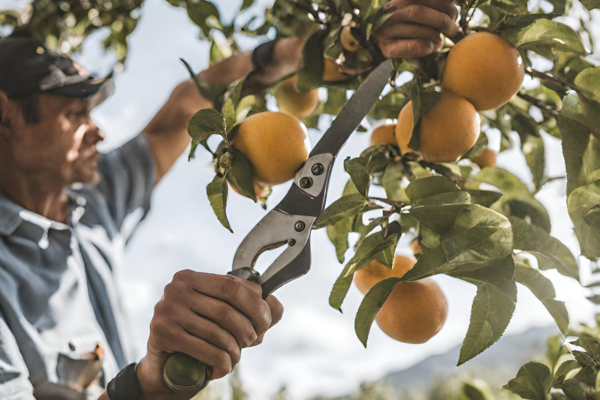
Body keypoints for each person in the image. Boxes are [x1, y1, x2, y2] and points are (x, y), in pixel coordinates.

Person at [0, 1, 460, 399]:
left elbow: (185, 107)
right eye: (76, 114)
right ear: (6, 117)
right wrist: (143, 388)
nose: (97, 130)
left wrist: (304, 52)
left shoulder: (94, 204)